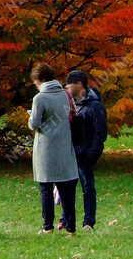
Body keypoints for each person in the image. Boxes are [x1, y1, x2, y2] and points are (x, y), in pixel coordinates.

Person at [27, 63, 79, 234]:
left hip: (46, 148)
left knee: (46, 188)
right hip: (64, 145)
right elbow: (71, 114)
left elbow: (34, 124)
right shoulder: (65, 94)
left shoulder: (39, 98)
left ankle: (47, 226)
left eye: (35, 82)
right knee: (66, 189)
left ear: (40, 80)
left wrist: (30, 118)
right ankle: (71, 227)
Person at [66, 70, 107, 230]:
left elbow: (100, 132)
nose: (67, 88)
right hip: (71, 151)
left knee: (87, 187)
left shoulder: (95, 106)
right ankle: (66, 219)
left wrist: (92, 153)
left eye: (69, 84)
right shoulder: (73, 103)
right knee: (67, 188)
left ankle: (89, 221)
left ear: (78, 84)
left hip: (86, 153)